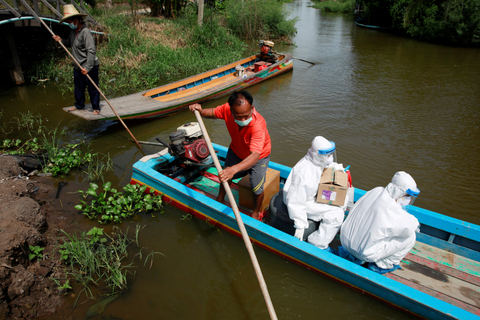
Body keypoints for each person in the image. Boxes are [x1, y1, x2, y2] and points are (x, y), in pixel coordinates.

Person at [189, 91, 271, 220]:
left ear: (252, 109)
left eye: (246, 115)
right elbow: (211, 113)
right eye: (238, 117)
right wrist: (200, 110)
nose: (243, 120)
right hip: (237, 149)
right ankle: (220, 198)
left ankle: (255, 212)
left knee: (256, 187)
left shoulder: (258, 125)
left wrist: (234, 169)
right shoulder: (227, 109)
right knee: (225, 175)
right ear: (231, 111)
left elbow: (254, 156)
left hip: (259, 156)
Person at [339, 171, 420, 274]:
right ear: (398, 191)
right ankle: (381, 266)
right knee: (410, 237)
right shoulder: (390, 208)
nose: (408, 199)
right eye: (407, 195)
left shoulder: (377, 191)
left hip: (344, 241)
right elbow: (410, 227)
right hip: (361, 252)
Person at [283, 136, 351, 251]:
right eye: (327, 155)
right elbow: (295, 201)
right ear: (318, 155)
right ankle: (318, 244)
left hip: (309, 196)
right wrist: (300, 224)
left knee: (344, 200)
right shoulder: (305, 174)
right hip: (303, 203)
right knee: (337, 214)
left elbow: (326, 166)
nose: (330, 157)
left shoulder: (314, 161)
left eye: (330, 154)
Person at [53, 5, 101, 114]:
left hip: (89, 65)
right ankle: (79, 105)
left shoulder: (86, 32)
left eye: (70, 21)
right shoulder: (72, 32)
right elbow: (71, 44)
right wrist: (61, 40)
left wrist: (88, 67)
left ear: (76, 20)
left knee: (92, 88)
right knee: (78, 87)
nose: (69, 24)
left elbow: (91, 51)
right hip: (77, 65)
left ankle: (96, 108)